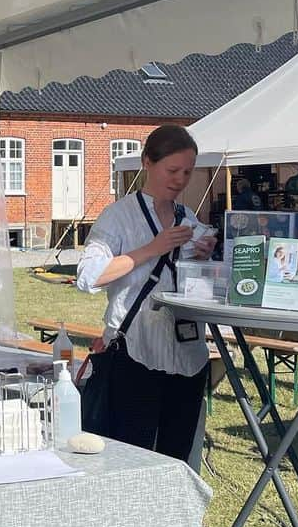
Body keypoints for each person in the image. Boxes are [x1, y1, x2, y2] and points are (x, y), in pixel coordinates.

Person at [76, 123, 216, 461]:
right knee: (132, 457)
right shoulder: (118, 217)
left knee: (177, 458)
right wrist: (151, 248)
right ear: (147, 163)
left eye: (187, 171)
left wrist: (203, 258)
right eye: (172, 170)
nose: (180, 179)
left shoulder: (188, 218)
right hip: (135, 351)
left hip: (187, 354)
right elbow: (89, 277)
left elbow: (194, 282)